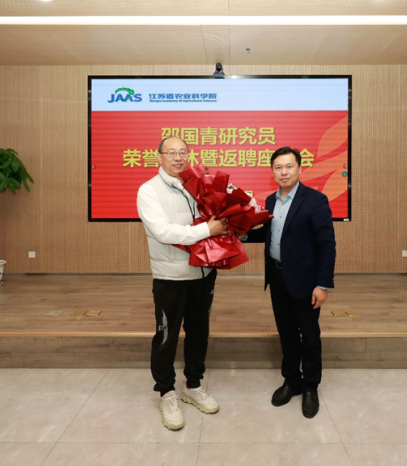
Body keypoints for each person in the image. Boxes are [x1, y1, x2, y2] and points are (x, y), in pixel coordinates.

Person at [137, 136, 227, 431]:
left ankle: (193, 385)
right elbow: (163, 232)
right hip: (171, 277)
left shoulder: (196, 185)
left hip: (203, 273)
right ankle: (166, 393)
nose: (178, 157)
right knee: (167, 336)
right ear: (159, 156)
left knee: (199, 333)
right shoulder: (149, 190)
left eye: (183, 152)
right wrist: (208, 229)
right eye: (171, 152)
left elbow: (214, 219)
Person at [244, 146, 336, 418]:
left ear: (299, 169)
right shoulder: (271, 201)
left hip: (306, 280)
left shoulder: (316, 200)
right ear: (272, 172)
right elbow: (270, 233)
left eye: (289, 166)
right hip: (277, 276)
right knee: (286, 332)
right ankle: (291, 380)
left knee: (309, 336)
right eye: (278, 167)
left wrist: (323, 284)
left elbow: (326, 245)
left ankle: (310, 386)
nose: (283, 172)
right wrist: (240, 234)